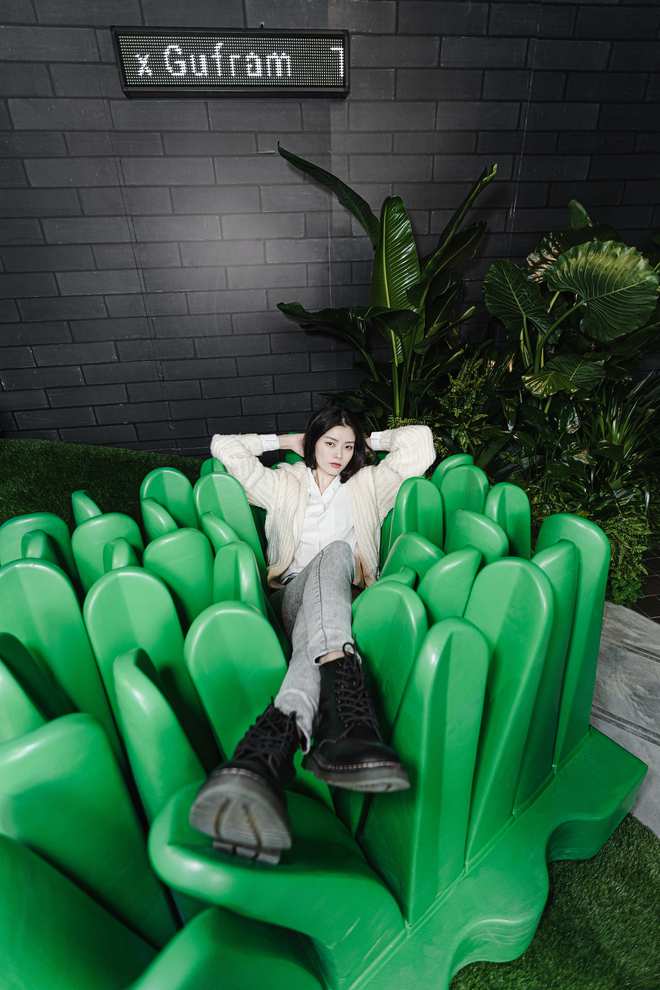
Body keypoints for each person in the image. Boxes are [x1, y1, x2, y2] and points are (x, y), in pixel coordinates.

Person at [189, 405, 435, 863]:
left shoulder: (369, 484)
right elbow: (224, 446)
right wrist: (285, 441)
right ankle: (346, 713)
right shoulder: (283, 483)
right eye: (329, 442)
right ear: (313, 442)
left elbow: (420, 442)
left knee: (317, 631)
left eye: (347, 446)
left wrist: (368, 440)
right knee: (336, 551)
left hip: (343, 603)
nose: (339, 454)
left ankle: (264, 755)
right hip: (294, 594)